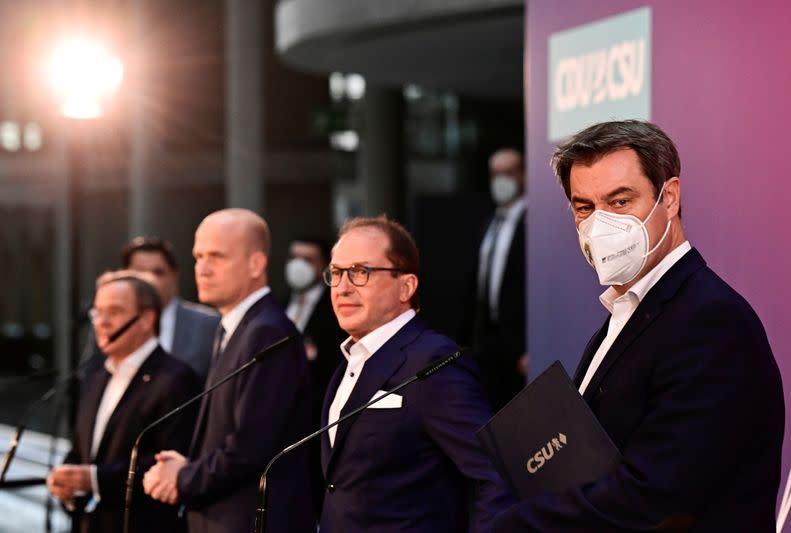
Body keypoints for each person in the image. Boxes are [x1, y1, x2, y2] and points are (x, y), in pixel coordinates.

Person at [491, 120, 784, 531]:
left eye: (620, 201)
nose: (601, 225)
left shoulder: (711, 321)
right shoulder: (627, 314)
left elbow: (660, 495)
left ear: (670, 198)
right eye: (585, 207)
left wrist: (514, 524)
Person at [319, 215, 513, 532]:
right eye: (337, 273)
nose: (342, 288)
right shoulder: (347, 363)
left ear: (406, 286)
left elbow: (494, 475)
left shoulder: (433, 362)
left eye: (360, 272)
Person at [142, 208, 314, 533]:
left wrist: (183, 477)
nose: (202, 269)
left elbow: (252, 447)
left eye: (217, 257)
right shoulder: (233, 328)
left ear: (256, 264)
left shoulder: (267, 332)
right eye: (198, 257)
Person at [48, 271, 200, 533]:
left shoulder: (176, 379)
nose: (102, 322)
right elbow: (81, 450)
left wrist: (94, 480)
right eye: (97, 312)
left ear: (147, 318)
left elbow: (168, 464)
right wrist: (67, 482)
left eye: (114, 312)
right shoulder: (95, 377)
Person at [81, 237, 219, 381]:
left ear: (174, 276)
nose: (149, 279)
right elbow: (90, 376)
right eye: (139, 272)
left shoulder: (209, 324)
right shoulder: (106, 323)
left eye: (157, 272)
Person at [283, 237, 342, 517]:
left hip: (314, 416)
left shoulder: (334, 310)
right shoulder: (282, 303)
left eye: (307, 259)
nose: (298, 265)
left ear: (323, 266)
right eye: (295, 257)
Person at [470, 148, 527, 411]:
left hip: (520, 346)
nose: (500, 180)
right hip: (490, 343)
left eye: (508, 172)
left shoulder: (533, 222)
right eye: (495, 174)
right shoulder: (490, 223)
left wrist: (529, 344)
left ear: (523, 175)